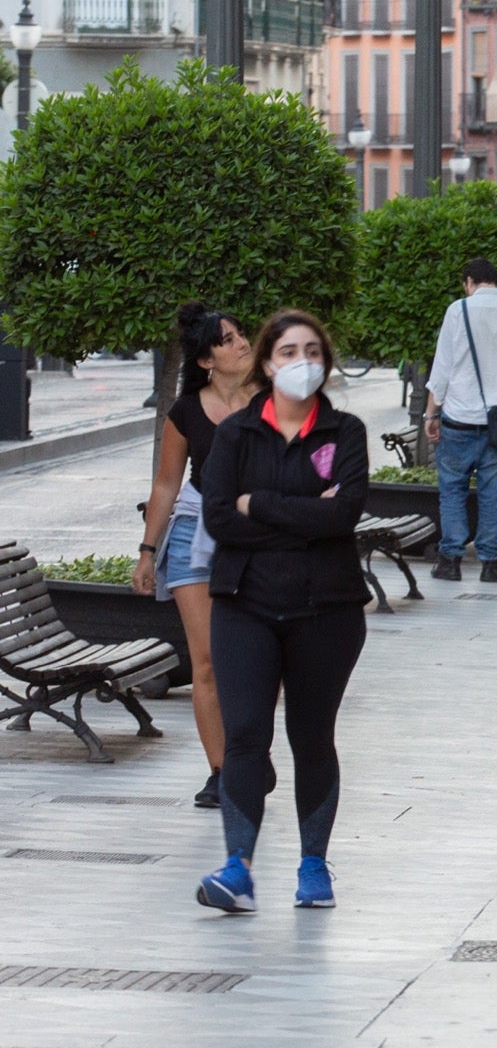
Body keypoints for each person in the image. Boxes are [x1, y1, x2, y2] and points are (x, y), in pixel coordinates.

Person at [194, 310, 370, 914]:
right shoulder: (235, 435)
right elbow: (219, 518)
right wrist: (301, 514)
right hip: (244, 605)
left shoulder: (344, 433)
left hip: (328, 609)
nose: (302, 363)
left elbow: (343, 515)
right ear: (267, 364)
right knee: (246, 733)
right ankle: (237, 866)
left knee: (311, 736)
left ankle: (314, 865)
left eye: (313, 352)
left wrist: (259, 504)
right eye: (289, 352)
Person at [133, 302, 259, 809]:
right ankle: (221, 772)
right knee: (206, 661)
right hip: (194, 531)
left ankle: (250, 759)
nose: (242, 343)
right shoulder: (185, 412)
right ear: (207, 360)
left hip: (255, 536)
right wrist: (147, 552)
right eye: (228, 340)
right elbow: (165, 486)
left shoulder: (273, 401)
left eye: (241, 334)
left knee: (250, 660)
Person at [423, 258, 497, 584]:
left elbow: (442, 368)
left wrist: (432, 413)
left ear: (469, 281)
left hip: (458, 418)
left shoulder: (457, 310)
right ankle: (493, 564)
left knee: (452, 490)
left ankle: (450, 560)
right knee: (492, 492)